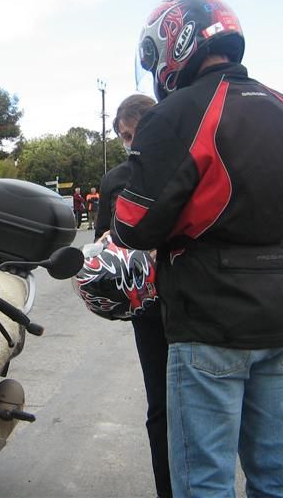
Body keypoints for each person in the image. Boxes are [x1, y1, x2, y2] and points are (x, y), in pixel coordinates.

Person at [112, 0, 283, 497]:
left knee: (205, 482)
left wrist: (198, 232)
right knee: (274, 475)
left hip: (207, 318)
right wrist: (258, 240)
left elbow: (134, 225)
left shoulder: (176, 114)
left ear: (175, 43)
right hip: (276, 317)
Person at [94, 92, 172, 498]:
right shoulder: (115, 180)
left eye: (134, 132)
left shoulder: (183, 163)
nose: (130, 142)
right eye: (124, 136)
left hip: (188, 300)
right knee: (160, 406)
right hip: (148, 306)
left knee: (195, 406)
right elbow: (101, 244)